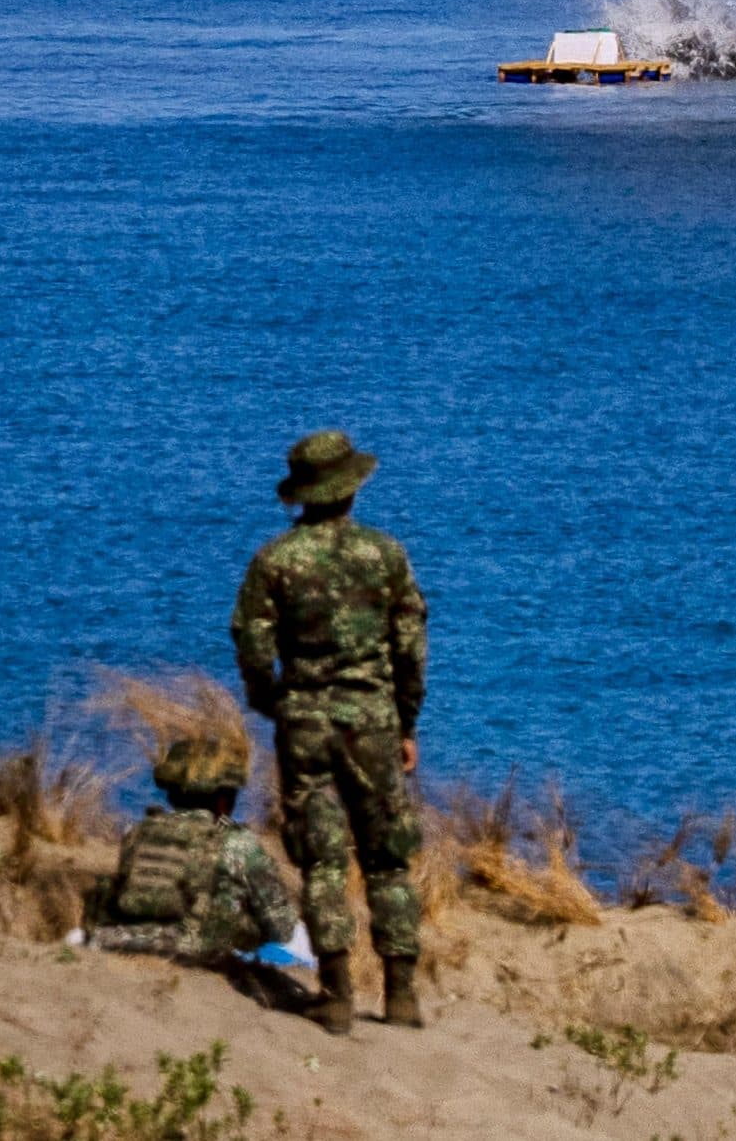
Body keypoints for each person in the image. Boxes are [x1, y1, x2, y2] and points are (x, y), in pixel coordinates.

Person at [231, 430, 428, 1035]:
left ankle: (337, 993)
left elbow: (251, 642)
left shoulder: (273, 562)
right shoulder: (386, 554)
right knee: (388, 860)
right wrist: (406, 720)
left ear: (303, 494)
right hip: (372, 720)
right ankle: (399, 995)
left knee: (321, 861)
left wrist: (275, 703)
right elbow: (410, 645)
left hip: (305, 724)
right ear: (351, 487)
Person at [88, 736, 299, 971]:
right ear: (223, 800)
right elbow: (282, 928)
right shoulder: (236, 842)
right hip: (192, 950)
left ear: (172, 793)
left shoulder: (138, 833)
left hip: (115, 939)